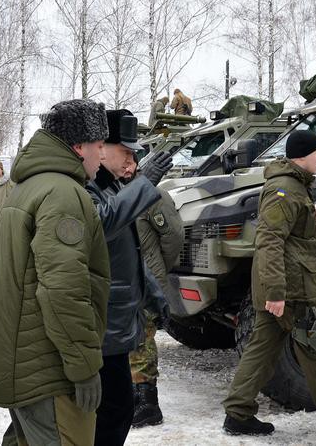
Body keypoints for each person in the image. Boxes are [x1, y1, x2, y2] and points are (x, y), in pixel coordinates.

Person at [222, 130, 316, 436]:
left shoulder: (293, 187)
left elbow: (293, 231)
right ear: (302, 156)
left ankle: (238, 413)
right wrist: (277, 293)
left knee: (261, 351)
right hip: (291, 290)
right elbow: (269, 242)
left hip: (286, 287)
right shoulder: (284, 190)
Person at [0, 98, 111, 445]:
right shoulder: (63, 193)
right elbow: (62, 290)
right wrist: (84, 367)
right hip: (50, 372)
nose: (103, 155)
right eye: (100, 145)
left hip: (27, 365)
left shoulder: (29, 187)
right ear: (79, 145)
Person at [86, 109, 173, 446]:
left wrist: (153, 294)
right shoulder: (86, 187)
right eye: (126, 152)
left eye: (135, 156)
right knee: (111, 411)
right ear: (100, 147)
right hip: (101, 321)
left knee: (117, 409)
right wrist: (142, 184)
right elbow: (100, 226)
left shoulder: (112, 188)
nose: (132, 162)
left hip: (118, 321)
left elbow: (128, 252)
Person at [123, 157, 185, 428]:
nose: (125, 168)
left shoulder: (154, 195)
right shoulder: (118, 196)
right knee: (129, 338)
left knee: (143, 338)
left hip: (147, 280)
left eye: (130, 162)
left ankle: (149, 403)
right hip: (127, 279)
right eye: (121, 161)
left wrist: (158, 266)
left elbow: (174, 236)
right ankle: (135, 395)